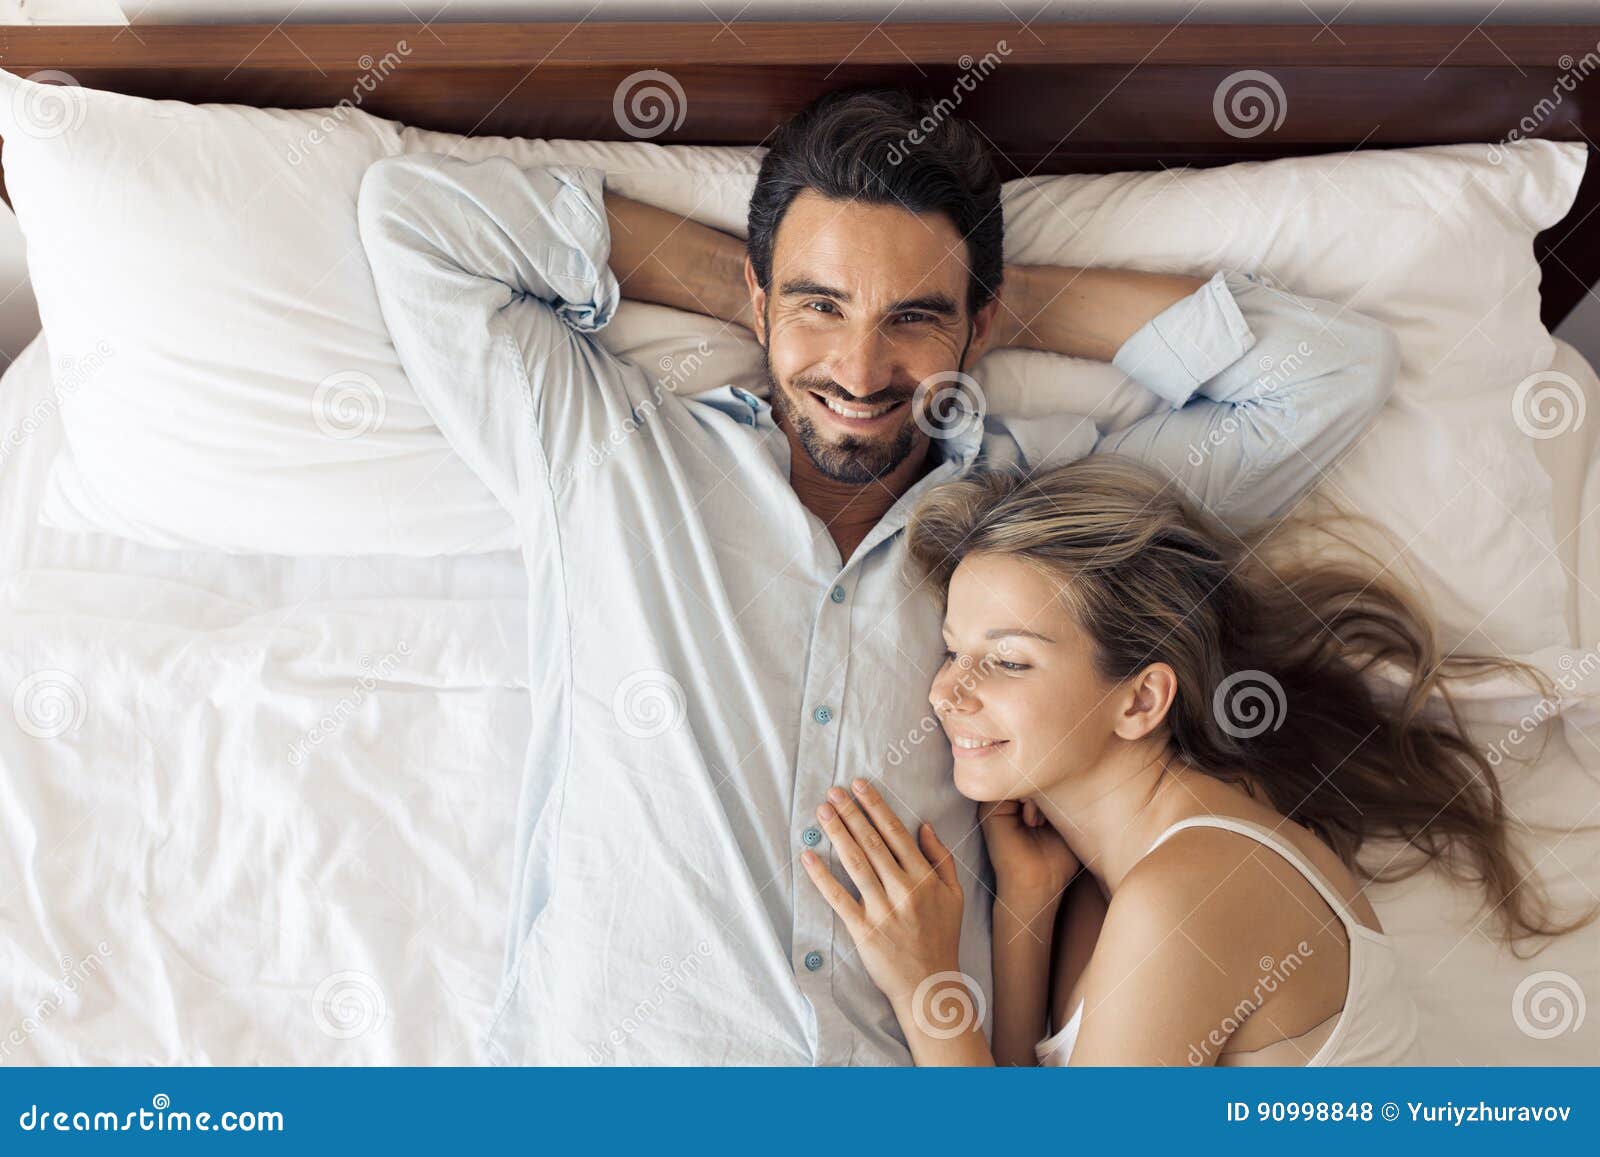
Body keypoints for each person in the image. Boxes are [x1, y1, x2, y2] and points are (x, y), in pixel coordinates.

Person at [355, 87, 1396, 1064]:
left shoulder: (1038, 531)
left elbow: (1322, 372)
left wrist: (982, 301)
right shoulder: (610, 453)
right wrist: (760, 287)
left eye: (911, 320)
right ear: (755, 302)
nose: (858, 372)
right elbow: (419, 218)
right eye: (819, 309)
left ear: (977, 326)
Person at [800, 455, 1592, 1065]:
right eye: (952, 650)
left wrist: (924, 986)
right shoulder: (1112, 883)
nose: (947, 692)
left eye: (1006, 660)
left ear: (1141, 701)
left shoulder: (1192, 890)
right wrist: (1027, 907)